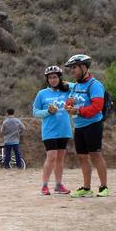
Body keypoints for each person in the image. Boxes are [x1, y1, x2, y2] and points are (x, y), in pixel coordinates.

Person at [64, 53, 110, 197]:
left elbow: (97, 107)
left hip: (93, 125)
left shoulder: (95, 85)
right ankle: (86, 188)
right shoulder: (76, 86)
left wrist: (77, 110)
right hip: (79, 126)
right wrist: (69, 106)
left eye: (75, 68)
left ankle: (103, 187)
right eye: (71, 68)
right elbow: (69, 102)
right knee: (82, 157)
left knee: (95, 155)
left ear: (84, 67)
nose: (72, 71)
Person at [32, 65, 73, 194]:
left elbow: (77, 87)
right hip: (49, 131)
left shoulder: (66, 91)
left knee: (60, 158)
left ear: (59, 78)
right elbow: (35, 112)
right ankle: (44, 185)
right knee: (51, 156)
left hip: (64, 129)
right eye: (50, 78)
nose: (53, 80)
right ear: (47, 80)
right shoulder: (42, 93)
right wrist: (48, 111)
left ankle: (58, 185)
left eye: (55, 77)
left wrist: (65, 84)